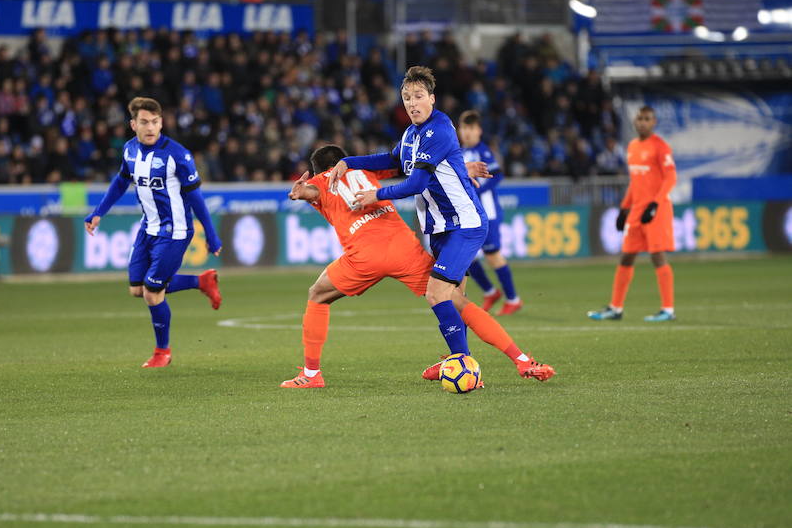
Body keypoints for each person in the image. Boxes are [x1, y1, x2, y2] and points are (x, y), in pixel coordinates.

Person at [280, 144, 555, 388]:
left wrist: (300, 192)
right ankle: (521, 360)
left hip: (364, 256)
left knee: (318, 294)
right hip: (404, 249)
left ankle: (311, 374)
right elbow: (418, 168)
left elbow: (313, 189)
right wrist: (461, 168)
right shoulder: (368, 171)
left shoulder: (324, 178)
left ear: (320, 168)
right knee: (454, 299)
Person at [84, 97, 223, 368]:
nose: (151, 127)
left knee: (152, 292)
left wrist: (211, 234)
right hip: (148, 228)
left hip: (176, 231)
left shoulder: (178, 155)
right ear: (133, 124)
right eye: (145, 122)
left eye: (155, 122)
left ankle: (163, 352)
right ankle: (201, 282)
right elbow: (121, 181)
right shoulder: (129, 150)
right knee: (137, 289)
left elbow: (196, 199)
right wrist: (99, 212)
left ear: (162, 122)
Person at [588, 105, 677, 322]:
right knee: (627, 256)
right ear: (635, 122)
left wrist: (655, 204)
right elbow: (635, 182)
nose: (642, 122)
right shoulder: (632, 147)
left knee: (657, 256)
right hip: (636, 211)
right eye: (640, 119)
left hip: (656, 210)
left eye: (647, 119)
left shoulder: (660, 146)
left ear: (654, 122)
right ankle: (615, 308)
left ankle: (668, 309)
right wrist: (623, 209)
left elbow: (670, 178)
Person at [458, 110, 523, 315]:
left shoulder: (482, 151)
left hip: (488, 213)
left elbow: (497, 175)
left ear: (479, 131)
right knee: (465, 257)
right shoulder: (458, 152)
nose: (467, 133)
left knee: (492, 256)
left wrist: (476, 189)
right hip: (468, 214)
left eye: (471, 128)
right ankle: (490, 291)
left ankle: (513, 299)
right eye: (464, 128)